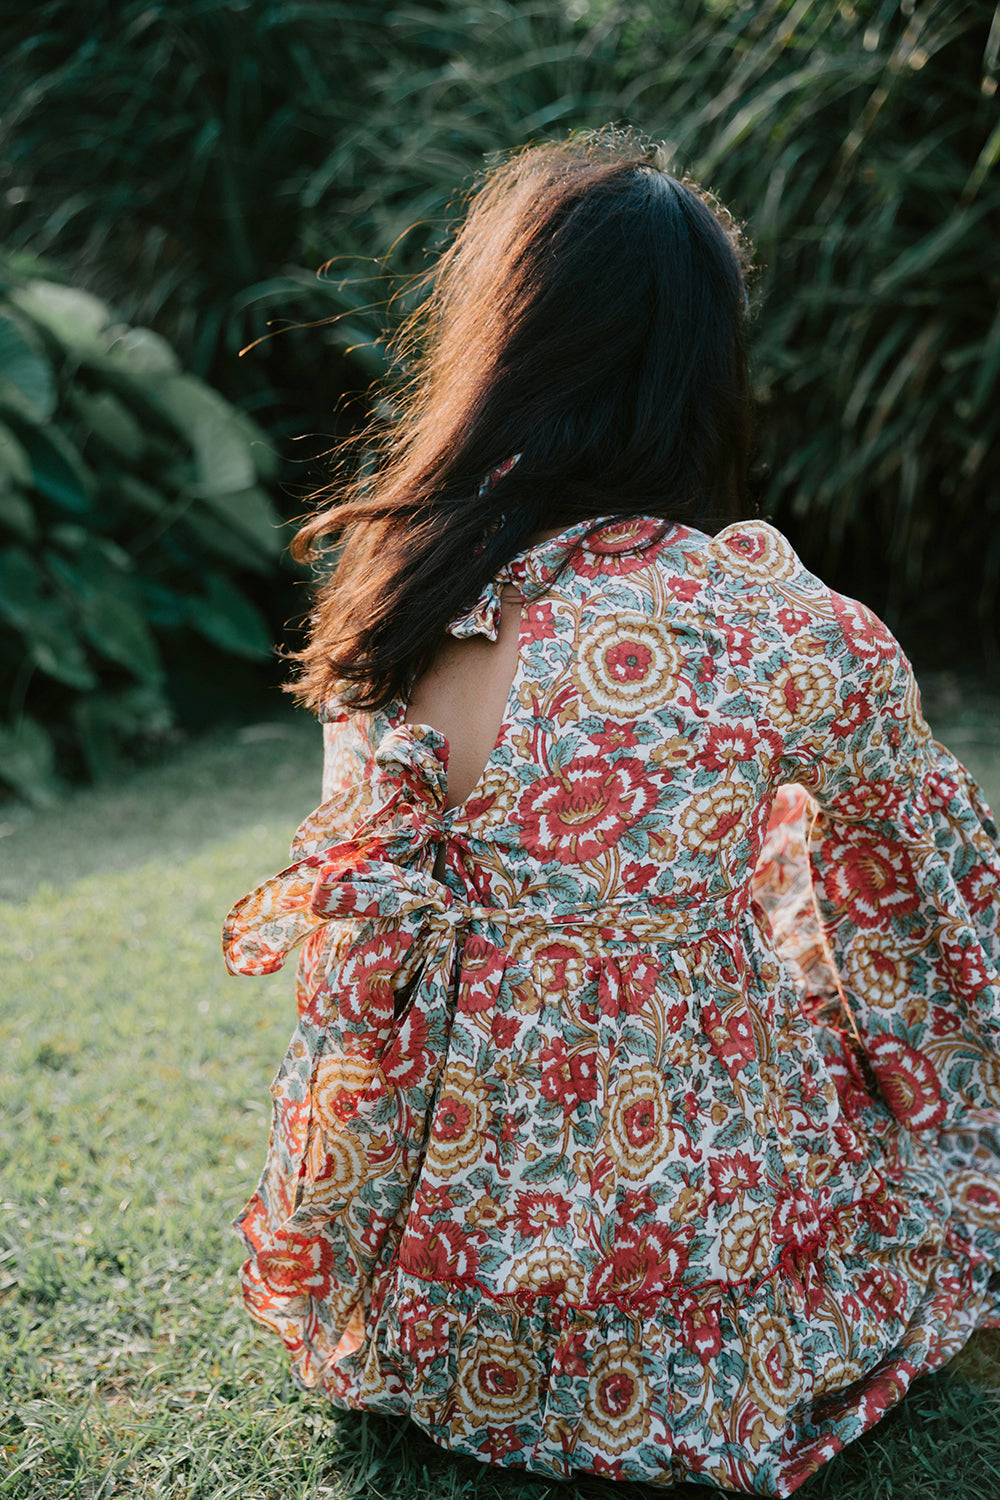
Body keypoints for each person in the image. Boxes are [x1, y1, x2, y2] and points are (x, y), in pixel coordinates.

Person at [222, 131, 1000, 1495]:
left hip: (430, 1318)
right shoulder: (772, 623)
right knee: (837, 869)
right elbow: (937, 902)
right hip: (679, 1318)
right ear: (704, 365)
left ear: (498, 337)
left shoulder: (396, 586)